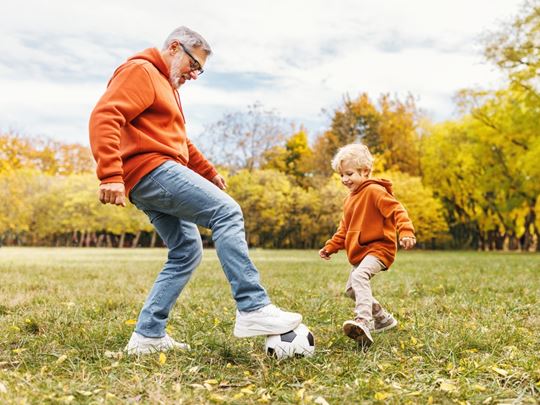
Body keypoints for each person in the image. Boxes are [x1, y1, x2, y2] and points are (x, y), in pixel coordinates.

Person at [89, 26, 301, 355]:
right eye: (194, 65)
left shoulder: (166, 86)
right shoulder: (141, 71)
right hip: (151, 169)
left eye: (200, 70)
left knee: (187, 250)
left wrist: (208, 172)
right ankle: (253, 307)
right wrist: (109, 175)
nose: (194, 74)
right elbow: (105, 115)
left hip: (153, 172)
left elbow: (179, 141)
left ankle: (147, 335)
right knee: (227, 211)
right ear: (175, 47)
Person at [318, 144, 415, 347]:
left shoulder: (374, 191)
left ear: (365, 171)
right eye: (341, 175)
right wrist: (330, 247)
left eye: (349, 174)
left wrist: (405, 231)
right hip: (360, 253)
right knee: (352, 289)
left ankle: (364, 320)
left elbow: (397, 210)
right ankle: (383, 318)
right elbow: (344, 230)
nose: (345, 179)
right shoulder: (349, 200)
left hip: (379, 249)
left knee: (359, 276)